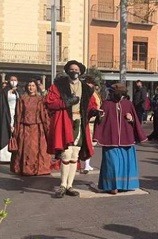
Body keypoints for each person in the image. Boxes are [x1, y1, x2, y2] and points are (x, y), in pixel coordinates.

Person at [44, 60, 99, 198]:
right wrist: (66, 102)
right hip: (65, 122)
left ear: (80, 72)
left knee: (75, 155)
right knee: (66, 155)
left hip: (80, 123)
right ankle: (62, 185)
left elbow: (91, 106)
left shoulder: (87, 88)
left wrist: (96, 112)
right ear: (68, 71)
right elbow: (49, 102)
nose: (74, 71)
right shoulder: (58, 86)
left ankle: (70, 185)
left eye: (77, 69)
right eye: (72, 69)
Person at [94, 83, 147, 194]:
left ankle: (125, 185)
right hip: (110, 139)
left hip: (126, 137)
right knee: (111, 163)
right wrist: (100, 117)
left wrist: (131, 119)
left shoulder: (128, 104)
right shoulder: (106, 104)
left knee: (126, 163)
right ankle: (113, 186)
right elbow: (100, 121)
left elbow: (135, 121)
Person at [9, 79, 51, 175]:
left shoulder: (41, 99)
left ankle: (39, 168)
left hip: (38, 127)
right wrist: (16, 128)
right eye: (29, 85)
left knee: (38, 149)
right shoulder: (22, 99)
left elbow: (44, 114)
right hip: (25, 128)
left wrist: (47, 127)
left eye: (33, 85)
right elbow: (18, 114)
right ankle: (24, 168)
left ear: (36, 87)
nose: (31, 88)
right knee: (25, 149)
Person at [81, 75, 102, 173]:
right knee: (86, 142)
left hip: (93, 120)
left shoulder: (94, 94)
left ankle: (87, 164)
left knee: (90, 143)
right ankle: (86, 164)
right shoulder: (86, 94)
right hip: (87, 121)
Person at [0, 75, 20, 162]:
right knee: (6, 131)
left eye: (15, 80)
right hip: (6, 113)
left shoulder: (19, 91)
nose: (13, 81)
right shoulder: (5, 91)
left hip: (16, 113)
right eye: (11, 80)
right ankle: (4, 156)